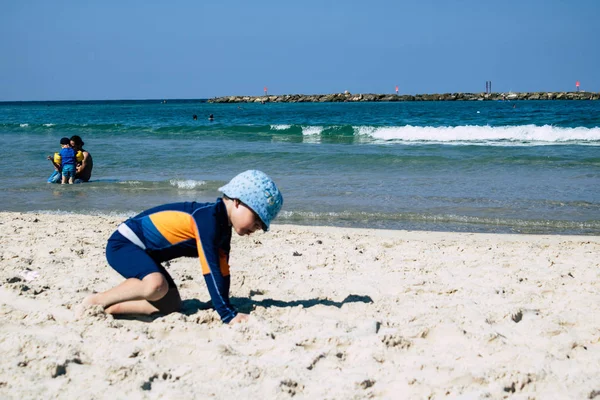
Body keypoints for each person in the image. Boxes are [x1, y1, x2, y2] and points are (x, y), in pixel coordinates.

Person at [81, 170, 283, 324]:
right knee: (155, 285)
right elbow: (210, 268)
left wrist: (222, 303)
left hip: (145, 254)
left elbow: (222, 271)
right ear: (238, 201)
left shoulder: (222, 230)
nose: (258, 227)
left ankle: (110, 309)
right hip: (124, 243)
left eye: (262, 225)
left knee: (172, 305)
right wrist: (227, 314)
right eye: (257, 218)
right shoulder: (207, 219)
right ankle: (95, 300)